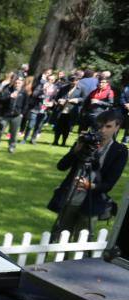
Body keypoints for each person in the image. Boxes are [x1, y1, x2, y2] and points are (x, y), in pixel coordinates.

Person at [48, 109, 127, 239]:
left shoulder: (120, 151)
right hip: (70, 198)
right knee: (59, 237)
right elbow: (61, 166)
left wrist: (89, 185)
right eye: (100, 125)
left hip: (92, 202)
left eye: (108, 126)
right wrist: (76, 150)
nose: (102, 130)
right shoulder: (86, 141)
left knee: (82, 242)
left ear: (117, 127)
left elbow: (109, 184)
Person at [54, 76, 84, 147]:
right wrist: (59, 100)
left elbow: (83, 98)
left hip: (71, 111)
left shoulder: (81, 89)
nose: (73, 82)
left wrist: (77, 100)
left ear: (77, 81)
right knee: (58, 127)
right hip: (62, 110)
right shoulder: (64, 88)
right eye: (72, 81)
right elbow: (57, 97)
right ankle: (55, 141)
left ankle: (64, 142)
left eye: (75, 81)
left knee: (67, 128)